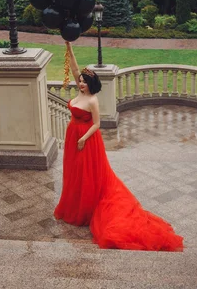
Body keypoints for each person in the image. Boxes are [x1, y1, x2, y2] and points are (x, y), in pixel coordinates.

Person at [54, 41, 183, 251]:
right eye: (80, 81)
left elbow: (97, 124)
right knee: (74, 173)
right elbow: (76, 69)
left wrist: (83, 138)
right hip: (73, 138)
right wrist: (69, 48)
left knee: (87, 175)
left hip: (86, 140)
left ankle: (86, 208)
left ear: (91, 85)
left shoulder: (92, 101)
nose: (80, 83)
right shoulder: (80, 91)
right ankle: (74, 204)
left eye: (84, 82)